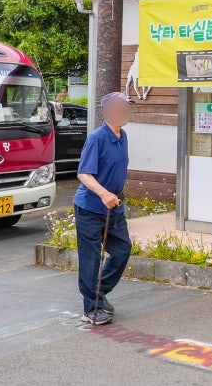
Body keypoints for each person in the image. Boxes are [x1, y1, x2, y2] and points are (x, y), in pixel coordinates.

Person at [74, 91, 135, 326]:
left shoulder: (123, 136)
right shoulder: (97, 138)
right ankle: (90, 308)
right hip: (91, 208)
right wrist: (104, 193)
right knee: (90, 260)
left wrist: (114, 195)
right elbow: (83, 173)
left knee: (122, 250)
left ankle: (97, 293)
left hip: (114, 208)